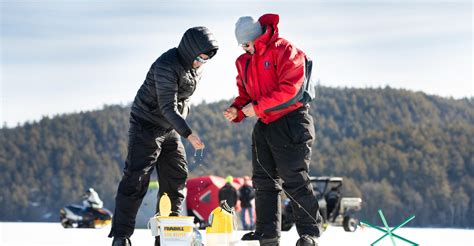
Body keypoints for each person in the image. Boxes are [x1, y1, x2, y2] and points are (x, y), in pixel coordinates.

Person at [109, 26, 218, 246]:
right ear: (189, 51)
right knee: (137, 179)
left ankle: (169, 235)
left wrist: (181, 122)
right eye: (199, 58)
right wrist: (188, 133)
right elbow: (168, 107)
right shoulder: (167, 65)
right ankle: (121, 236)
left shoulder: (195, 67)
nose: (201, 63)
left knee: (176, 176)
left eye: (205, 60)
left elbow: (183, 100)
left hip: (169, 128)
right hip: (146, 125)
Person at [223, 14, 322, 246]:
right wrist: (237, 109)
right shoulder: (243, 61)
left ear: (256, 39)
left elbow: (290, 88)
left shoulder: (284, 49)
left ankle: (310, 234)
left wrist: (254, 108)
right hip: (264, 124)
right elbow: (245, 95)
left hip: (291, 121)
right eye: (241, 46)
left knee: (294, 178)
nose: (244, 49)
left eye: (246, 44)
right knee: (263, 181)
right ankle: (267, 233)